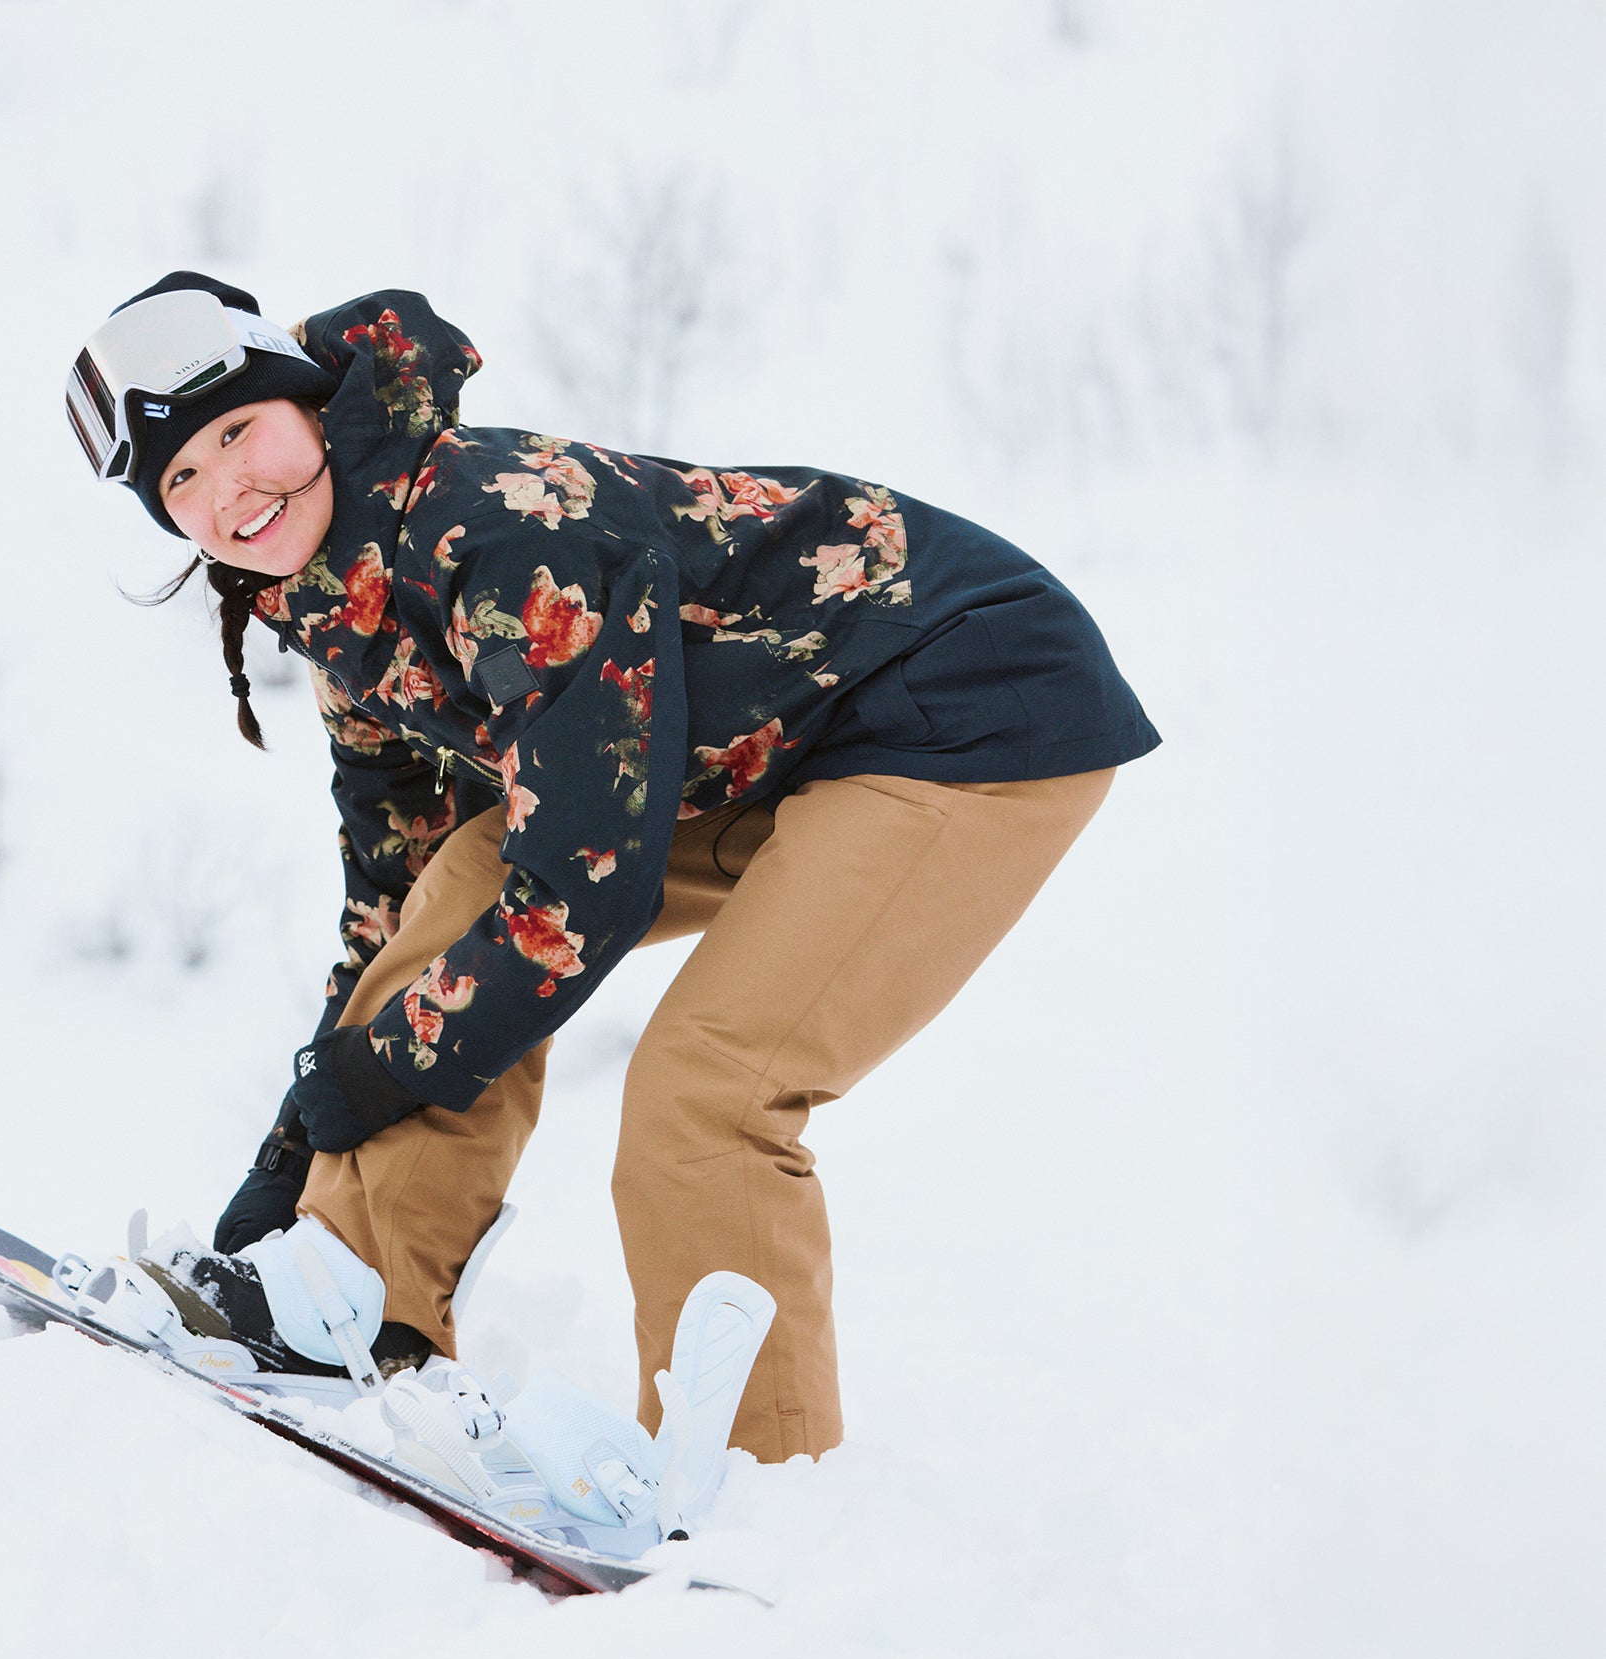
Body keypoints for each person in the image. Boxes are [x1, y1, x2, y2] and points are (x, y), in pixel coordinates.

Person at [63, 271, 1160, 1464]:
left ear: (311, 406)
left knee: (711, 1088)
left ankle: (753, 1478)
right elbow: (397, 900)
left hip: (967, 703)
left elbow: (586, 889)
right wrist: (292, 1158)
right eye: (182, 478)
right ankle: (349, 1294)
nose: (230, 487)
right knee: (472, 876)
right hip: (769, 747)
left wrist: (384, 1071)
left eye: (239, 431)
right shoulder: (342, 615)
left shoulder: (496, 526)